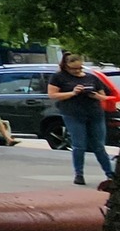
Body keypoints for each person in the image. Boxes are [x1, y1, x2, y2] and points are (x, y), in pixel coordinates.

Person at [48, 53, 114, 189]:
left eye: (79, 68)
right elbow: (53, 95)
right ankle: (79, 174)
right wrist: (73, 93)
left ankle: (110, 174)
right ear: (66, 66)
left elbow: (104, 97)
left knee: (99, 146)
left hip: (95, 113)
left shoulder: (92, 78)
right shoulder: (58, 77)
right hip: (73, 114)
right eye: (74, 69)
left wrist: (95, 95)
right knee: (79, 145)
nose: (77, 71)